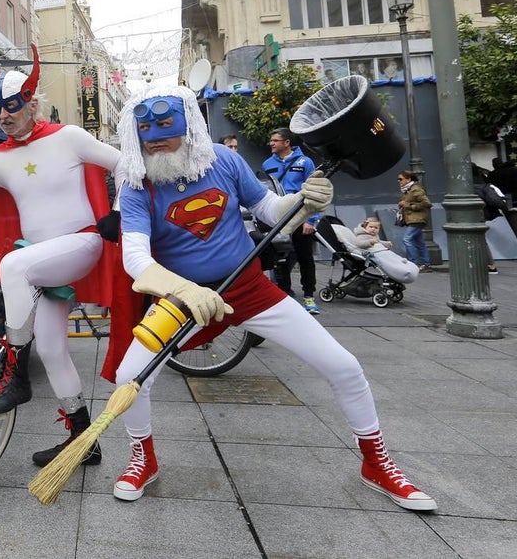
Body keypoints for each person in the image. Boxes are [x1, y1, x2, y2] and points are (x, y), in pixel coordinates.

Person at [108, 82, 436, 512]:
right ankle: (143, 458)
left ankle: (377, 463)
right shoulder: (135, 182)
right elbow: (134, 256)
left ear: (190, 123)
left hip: (248, 286)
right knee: (130, 378)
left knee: (344, 366)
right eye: (146, 130)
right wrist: (182, 288)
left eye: (166, 125)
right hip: (183, 300)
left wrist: (302, 202)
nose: (156, 138)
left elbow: (267, 211)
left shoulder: (223, 160)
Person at [0, 49, 127, 467]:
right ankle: (83, 439)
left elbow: (125, 164)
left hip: (81, 245)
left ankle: (14, 371)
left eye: (11, 106)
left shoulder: (68, 136)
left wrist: (120, 211)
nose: (3, 115)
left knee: (12, 265)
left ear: (31, 103)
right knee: (53, 349)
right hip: (42, 262)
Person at [263, 127, 322, 313]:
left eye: (275, 140)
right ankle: (284, 295)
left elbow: (316, 192)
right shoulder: (267, 164)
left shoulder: (306, 162)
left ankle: (309, 296)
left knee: (305, 258)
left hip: (301, 217)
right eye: (271, 140)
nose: (271, 143)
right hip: (279, 219)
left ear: (287, 142)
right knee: (280, 258)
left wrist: (311, 220)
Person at [350, 217, 418, 284]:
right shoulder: (362, 235)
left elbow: (378, 242)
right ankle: (400, 271)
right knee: (388, 261)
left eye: (376, 228)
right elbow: (359, 244)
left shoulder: (374, 235)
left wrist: (386, 243)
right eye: (371, 227)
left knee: (394, 257)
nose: (373, 229)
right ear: (365, 227)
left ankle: (407, 266)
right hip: (374, 252)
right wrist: (369, 242)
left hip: (382, 250)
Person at [397, 170, 433, 272]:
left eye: (400, 179)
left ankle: (413, 263)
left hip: (417, 219)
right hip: (412, 219)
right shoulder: (407, 190)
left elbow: (427, 203)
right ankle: (426, 264)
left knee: (407, 239)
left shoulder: (416, 189)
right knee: (419, 242)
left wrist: (407, 205)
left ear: (408, 179)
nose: (399, 181)